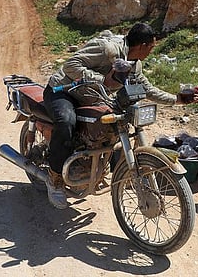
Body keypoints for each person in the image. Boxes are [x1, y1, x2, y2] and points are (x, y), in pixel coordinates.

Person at [43, 22, 182, 209]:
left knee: (114, 123)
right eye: (151, 47)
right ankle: (55, 178)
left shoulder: (134, 65)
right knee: (67, 121)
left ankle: (101, 165)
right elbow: (70, 65)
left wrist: (177, 99)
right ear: (142, 46)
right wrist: (102, 80)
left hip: (91, 96)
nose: (151, 51)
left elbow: (146, 89)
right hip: (63, 91)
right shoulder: (106, 49)